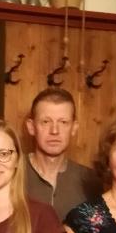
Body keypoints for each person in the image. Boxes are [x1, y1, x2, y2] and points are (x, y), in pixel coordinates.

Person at [25, 87, 101, 221]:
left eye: (63, 122)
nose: (54, 131)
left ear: (74, 128)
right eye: (46, 122)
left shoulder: (90, 180)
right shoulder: (10, 173)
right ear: (31, 127)